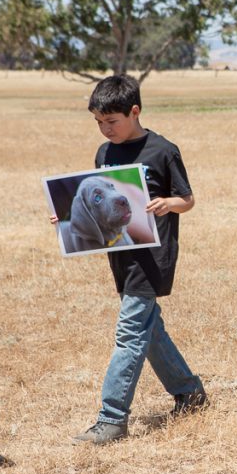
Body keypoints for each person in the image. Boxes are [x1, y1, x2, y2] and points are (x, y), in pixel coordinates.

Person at [55, 75, 206, 445]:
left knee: (129, 333)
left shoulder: (162, 150)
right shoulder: (104, 154)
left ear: (135, 111)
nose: (105, 129)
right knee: (148, 329)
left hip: (153, 258)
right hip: (120, 256)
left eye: (112, 121)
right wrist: (66, 217)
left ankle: (111, 418)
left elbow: (187, 200)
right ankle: (190, 392)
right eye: (99, 122)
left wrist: (167, 204)